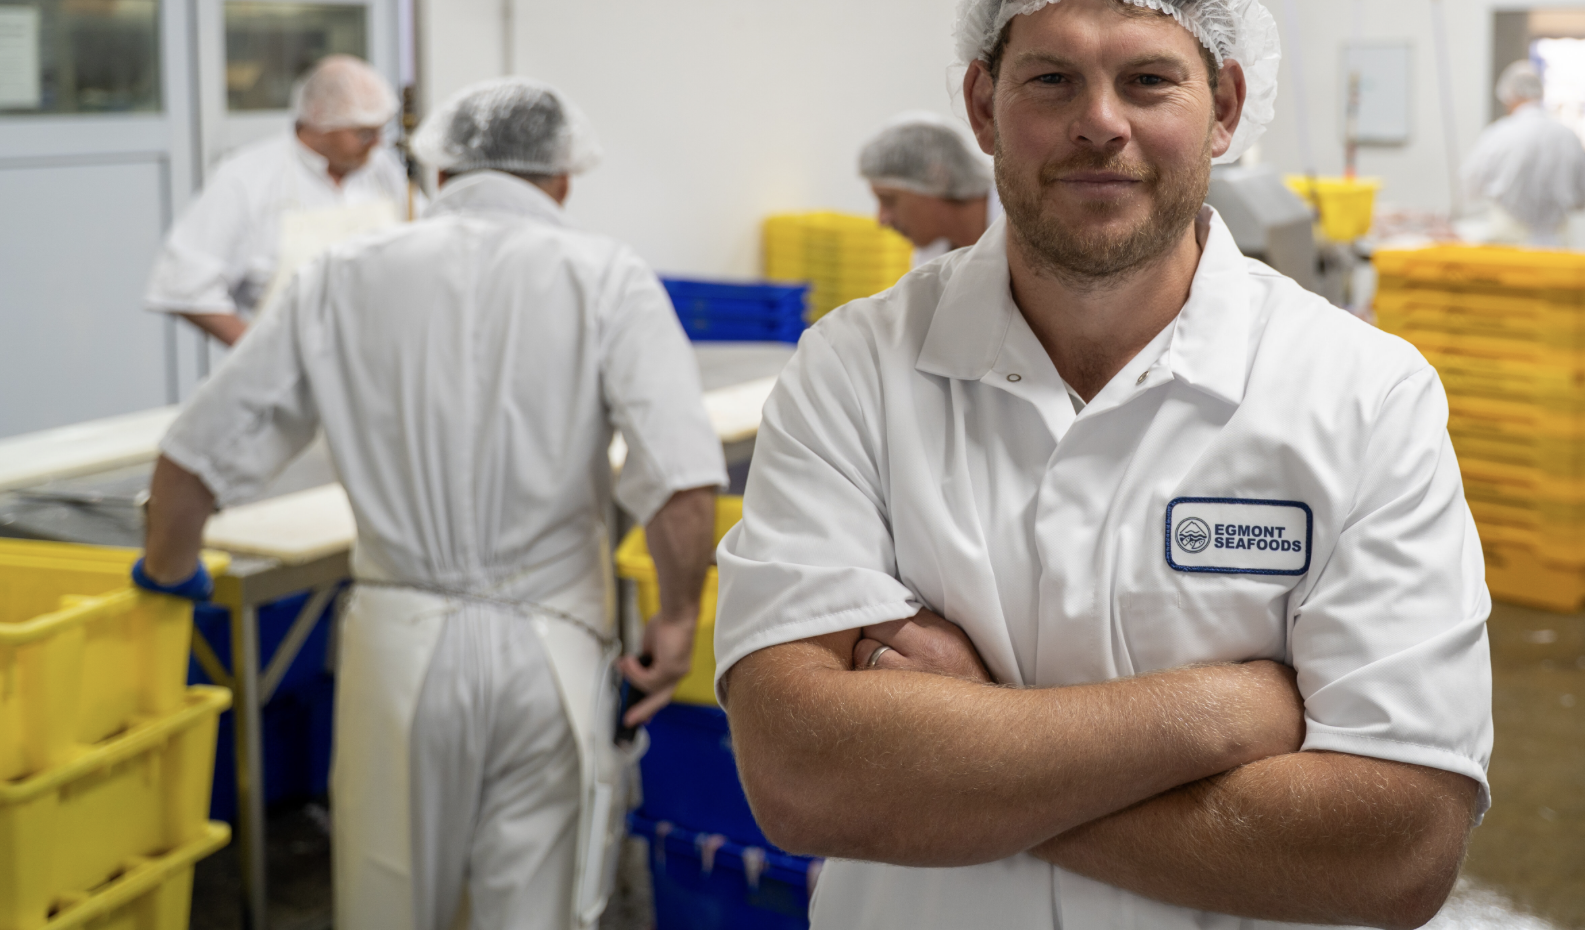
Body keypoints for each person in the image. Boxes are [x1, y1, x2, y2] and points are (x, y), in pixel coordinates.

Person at [713, 0, 1491, 930]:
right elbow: (802, 777)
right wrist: (1217, 712)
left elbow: (1395, 849)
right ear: (983, 106)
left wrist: (954, 761)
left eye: (1149, 78)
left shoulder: (1365, 394)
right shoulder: (854, 369)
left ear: (1225, 108)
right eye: (1051, 79)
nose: (1101, 122)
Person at [136, 77, 726, 929]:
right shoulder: (608, 276)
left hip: (397, 648)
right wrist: (675, 622)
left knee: (389, 898)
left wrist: (169, 574)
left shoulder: (340, 275)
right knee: (538, 908)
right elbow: (680, 481)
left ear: (438, 169)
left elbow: (193, 460)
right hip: (552, 649)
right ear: (562, 179)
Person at [144, 54, 409, 347]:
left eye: (380, 130)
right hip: (292, 378)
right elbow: (183, 284)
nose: (377, 143)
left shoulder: (383, 170)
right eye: (364, 133)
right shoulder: (246, 178)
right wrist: (260, 356)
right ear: (319, 121)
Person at [1458, 60, 1585, 246]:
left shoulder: (1500, 134)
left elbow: (1469, 184)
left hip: (1510, 240)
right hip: (1557, 243)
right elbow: (1581, 198)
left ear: (1509, 97)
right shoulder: (1568, 137)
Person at [857, 111, 998, 260]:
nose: (882, 219)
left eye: (889, 200)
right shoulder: (930, 257)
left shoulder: (1019, 227)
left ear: (938, 176)